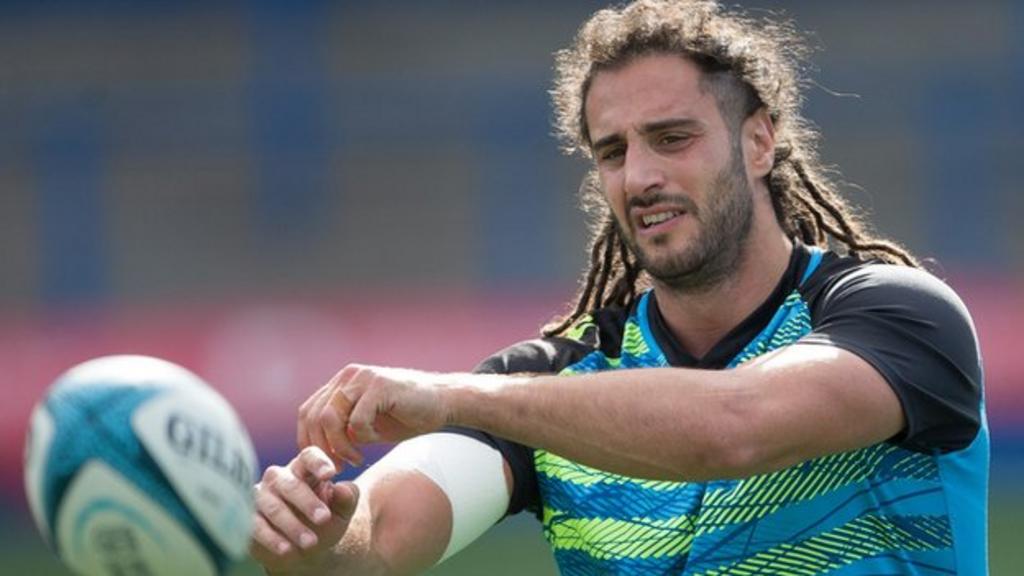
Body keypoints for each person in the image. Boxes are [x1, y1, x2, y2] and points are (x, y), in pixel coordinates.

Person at [249, 1, 987, 574]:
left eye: (672, 138)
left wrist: (451, 395)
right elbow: (382, 538)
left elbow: (733, 427)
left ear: (760, 141)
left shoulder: (901, 318)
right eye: (613, 152)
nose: (639, 177)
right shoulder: (550, 380)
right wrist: (321, 538)